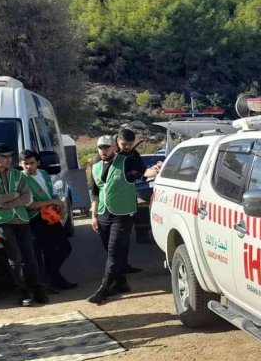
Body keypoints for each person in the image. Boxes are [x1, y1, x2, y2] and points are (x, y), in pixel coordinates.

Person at [0, 143, 47, 306]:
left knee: (30, 255)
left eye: (10, 156)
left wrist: (4, 201)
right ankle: (23, 293)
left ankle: (37, 289)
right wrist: (13, 196)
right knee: (15, 256)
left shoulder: (17, 174)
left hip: (20, 219)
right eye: (5, 156)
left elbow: (27, 198)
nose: (9, 159)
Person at [86, 135, 146, 305]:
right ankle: (121, 283)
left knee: (114, 251)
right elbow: (95, 192)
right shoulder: (96, 166)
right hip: (104, 214)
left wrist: (156, 170)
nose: (103, 151)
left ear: (114, 147)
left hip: (123, 214)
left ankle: (104, 289)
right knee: (111, 251)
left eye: (106, 147)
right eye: (100, 148)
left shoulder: (126, 161)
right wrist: (94, 216)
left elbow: (143, 173)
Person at [19, 149, 76, 291]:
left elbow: (52, 193)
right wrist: (52, 202)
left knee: (65, 248)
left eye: (31, 163)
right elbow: (30, 205)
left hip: (51, 216)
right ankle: (55, 280)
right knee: (49, 251)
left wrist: (59, 206)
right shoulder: (21, 180)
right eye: (25, 164)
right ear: (20, 164)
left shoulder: (43, 174)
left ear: (38, 162)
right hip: (37, 219)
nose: (28, 167)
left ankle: (51, 276)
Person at [115, 126, 160, 274]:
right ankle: (115, 269)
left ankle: (123, 265)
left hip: (127, 201)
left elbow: (143, 172)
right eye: (124, 145)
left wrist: (156, 170)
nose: (127, 147)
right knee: (113, 241)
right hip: (110, 204)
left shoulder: (133, 155)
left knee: (124, 236)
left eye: (130, 144)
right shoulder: (111, 156)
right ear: (117, 141)